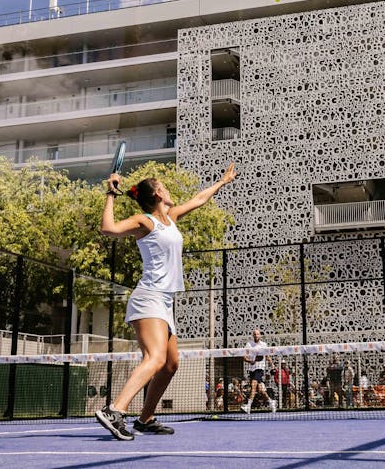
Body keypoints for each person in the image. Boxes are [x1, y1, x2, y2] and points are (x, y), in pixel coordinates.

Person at [95, 163, 237, 440]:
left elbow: (199, 199)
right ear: (158, 192)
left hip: (164, 301)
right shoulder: (144, 221)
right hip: (148, 298)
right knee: (155, 358)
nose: (170, 190)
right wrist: (110, 194)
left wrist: (222, 182)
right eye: (166, 186)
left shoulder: (170, 218)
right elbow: (108, 228)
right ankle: (115, 410)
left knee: (171, 364)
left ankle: (145, 418)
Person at [242, 328, 277, 413]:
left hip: (260, 368)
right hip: (252, 369)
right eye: (254, 334)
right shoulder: (249, 344)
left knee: (253, 385)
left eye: (257, 334)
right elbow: (244, 357)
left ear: (260, 335)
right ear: (253, 335)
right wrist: (250, 361)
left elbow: (267, 356)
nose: (256, 335)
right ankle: (271, 402)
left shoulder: (263, 344)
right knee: (260, 390)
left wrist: (272, 365)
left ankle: (248, 406)